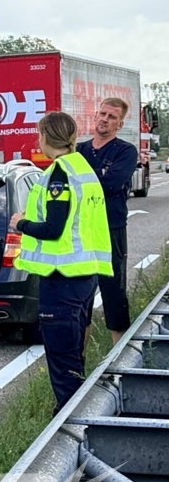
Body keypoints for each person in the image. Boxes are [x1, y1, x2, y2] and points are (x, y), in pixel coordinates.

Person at [10, 112, 112, 412]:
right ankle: (79, 419)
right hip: (83, 274)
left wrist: (21, 224)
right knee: (73, 357)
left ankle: (69, 424)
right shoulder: (82, 167)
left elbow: (54, 228)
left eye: (39, 134)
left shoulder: (59, 174)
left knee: (63, 360)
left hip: (61, 277)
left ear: (45, 136)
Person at [77, 98, 139, 345]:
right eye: (102, 114)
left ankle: (120, 356)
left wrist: (83, 180)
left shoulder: (125, 151)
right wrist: (97, 177)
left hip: (110, 228)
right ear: (95, 116)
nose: (105, 119)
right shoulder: (79, 150)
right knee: (81, 293)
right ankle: (79, 358)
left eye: (112, 117)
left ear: (119, 124)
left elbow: (112, 184)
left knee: (114, 291)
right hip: (80, 229)